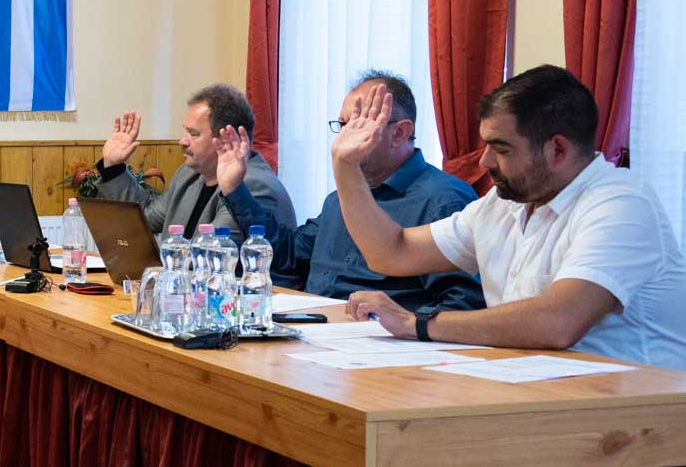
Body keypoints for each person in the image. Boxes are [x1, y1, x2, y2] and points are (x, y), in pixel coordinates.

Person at [330, 65, 686, 368]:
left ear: (557, 149)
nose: (485, 161)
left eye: (501, 149)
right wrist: (346, 166)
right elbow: (392, 252)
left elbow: (558, 322)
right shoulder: (505, 203)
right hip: (535, 391)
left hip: (633, 407)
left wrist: (416, 323)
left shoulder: (621, 204)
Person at [211, 71, 484, 311]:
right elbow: (289, 257)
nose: (343, 138)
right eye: (342, 126)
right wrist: (235, 189)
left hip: (381, 342)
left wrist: (401, 321)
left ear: (400, 133)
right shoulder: (340, 198)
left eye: (356, 125)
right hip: (315, 329)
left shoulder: (443, 199)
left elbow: (460, 305)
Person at [98, 83, 295, 245]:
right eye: (185, 131)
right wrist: (113, 168)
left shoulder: (252, 186)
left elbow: (208, 255)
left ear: (228, 138)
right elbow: (145, 220)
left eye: (193, 134)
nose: (182, 141)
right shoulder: (188, 174)